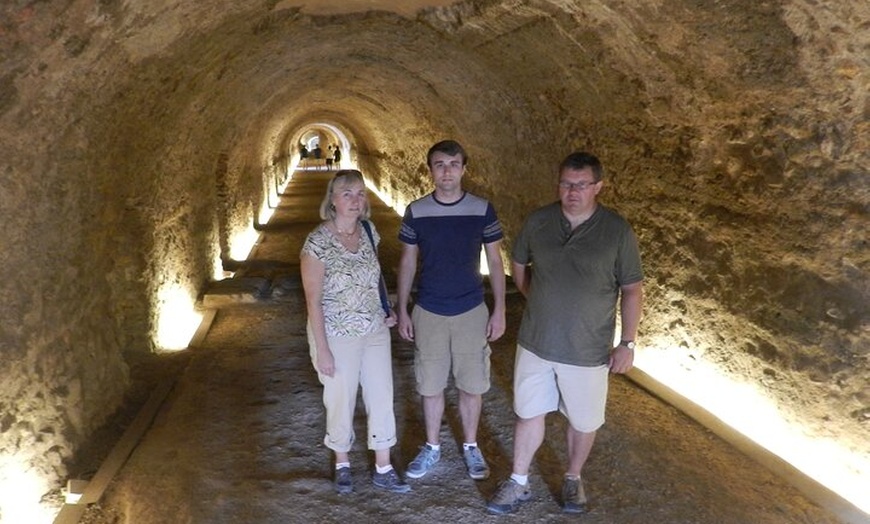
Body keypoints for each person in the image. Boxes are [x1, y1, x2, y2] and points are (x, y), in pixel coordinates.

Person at [486, 151, 643, 515]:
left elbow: (632, 290)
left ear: (598, 187)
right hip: (537, 341)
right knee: (528, 412)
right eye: (566, 184)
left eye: (581, 185)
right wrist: (538, 298)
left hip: (587, 348)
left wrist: (627, 343)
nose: (572, 192)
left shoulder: (617, 231)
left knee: (583, 419)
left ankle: (573, 477)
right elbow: (519, 265)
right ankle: (518, 480)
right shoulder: (539, 221)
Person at [396, 139, 506, 482]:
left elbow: (495, 260)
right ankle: (432, 446)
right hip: (429, 308)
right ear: (430, 170)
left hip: (470, 308)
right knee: (430, 385)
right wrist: (403, 308)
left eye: (453, 164)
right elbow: (408, 261)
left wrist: (499, 308)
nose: (447, 171)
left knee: (472, 384)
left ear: (464, 169)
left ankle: (471, 445)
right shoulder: (416, 211)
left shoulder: (482, 209)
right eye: (440, 165)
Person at [300, 169, 410, 495]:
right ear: (332, 200)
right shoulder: (317, 242)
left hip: (374, 330)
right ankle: (342, 463)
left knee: (381, 394)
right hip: (336, 333)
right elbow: (313, 300)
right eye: (347, 193)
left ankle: (383, 466)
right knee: (340, 397)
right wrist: (322, 349)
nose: (355, 200)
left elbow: (374, 276)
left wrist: (386, 308)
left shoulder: (369, 231)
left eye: (360, 193)